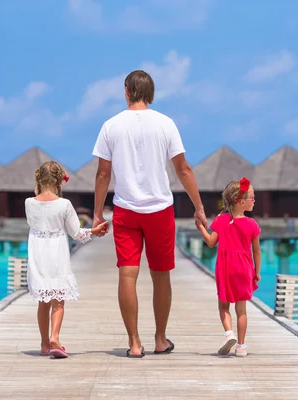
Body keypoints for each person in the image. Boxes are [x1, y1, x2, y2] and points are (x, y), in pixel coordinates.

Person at [91, 70, 207, 358]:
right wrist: (199, 206)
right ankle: (160, 339)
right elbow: (183, 169)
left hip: (126, 211)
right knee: (161, 275)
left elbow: (103, 175)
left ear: (127, 91)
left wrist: (96, 214)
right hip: (159, 210)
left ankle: (133, 343)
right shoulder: (166, 124)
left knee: (127, 276)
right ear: (150, 93)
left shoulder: (111, 125)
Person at [25, 161, 108, 359]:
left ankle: (45, 344)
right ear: (60, 180)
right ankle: (55, 337)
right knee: (58, 302)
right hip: (57, 255)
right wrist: (94, 232)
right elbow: (76, 233)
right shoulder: (65, 205)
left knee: (43, 302)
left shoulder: (29, 203)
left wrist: (38, 191)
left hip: (37, 254)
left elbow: (34, 219)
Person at [196, 177, 261, 357]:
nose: (254, 201)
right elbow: (257, 252)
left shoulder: (221, 220)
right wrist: (257, 272)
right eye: (252, 198)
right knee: (241, 310)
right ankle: (241, 347)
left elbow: (210, 242)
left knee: (224, 307)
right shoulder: (252, 224)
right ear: (241, 202)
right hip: (244, 269)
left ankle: (228, 333)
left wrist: (201, 228)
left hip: (225, 268)